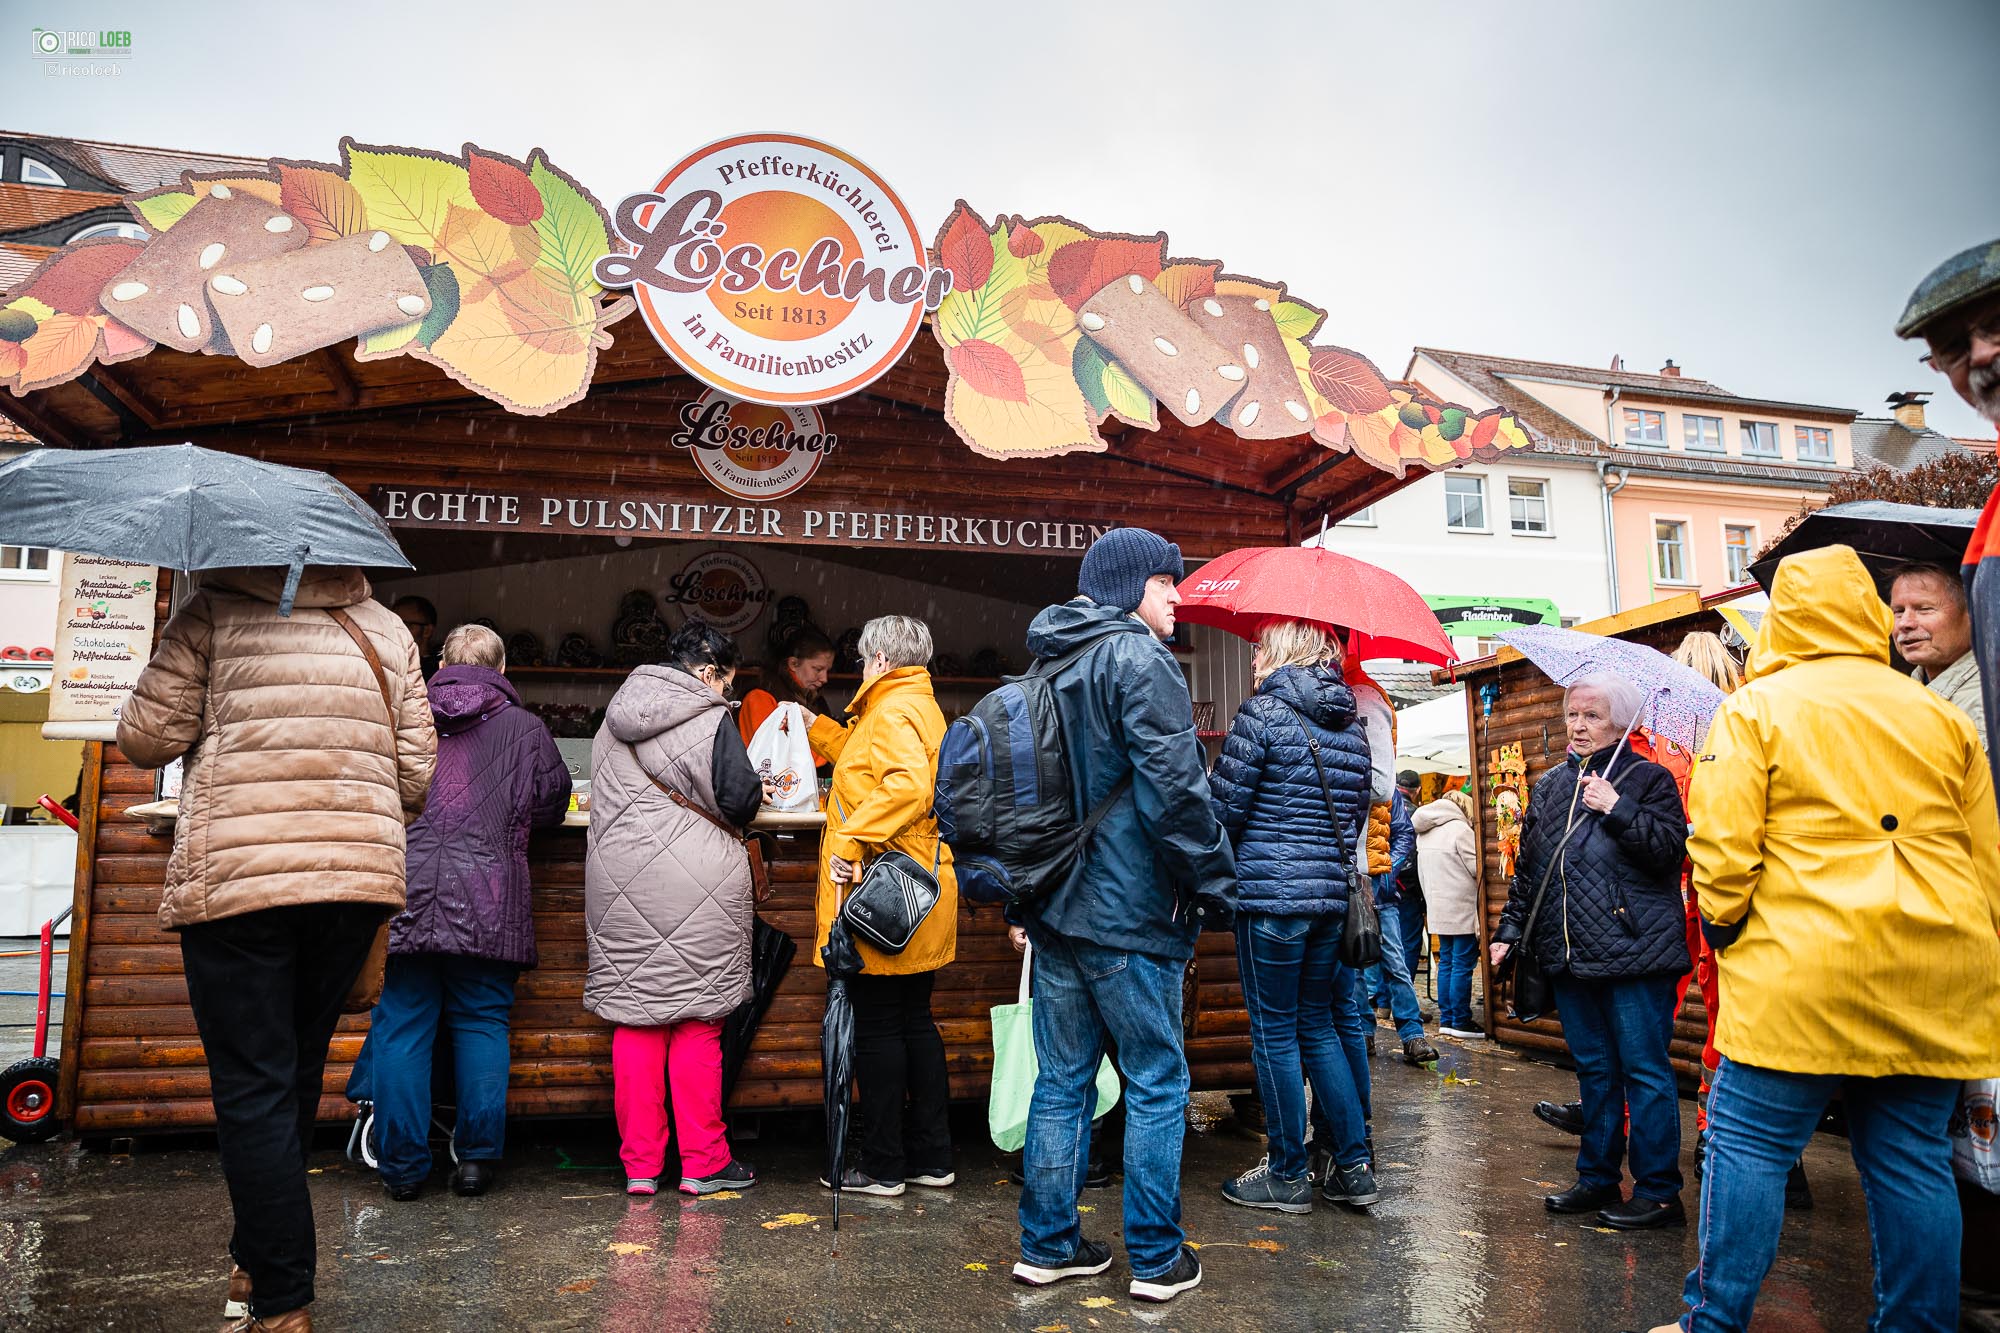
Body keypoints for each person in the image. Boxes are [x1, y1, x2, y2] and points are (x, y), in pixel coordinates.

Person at [1642, 545, 2000, 1333]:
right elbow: (1988, 859)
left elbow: (1723, 848)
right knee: (1911, 1160)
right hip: (1936, 971)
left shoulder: (1756, 710)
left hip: (1799, 972)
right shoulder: (1940, 714)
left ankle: (1716, 1320)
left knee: (1748, 1145)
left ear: (1787, 620)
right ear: (1868, 614)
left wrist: (1726, 929)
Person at [117, 565, 436, 1333]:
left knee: (252, 1084)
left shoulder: (212, 611)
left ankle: (284, 1302)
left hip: (241, 878)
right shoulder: (386, 628)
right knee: (291, 1074)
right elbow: (417, 776)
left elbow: (146, 738)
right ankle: (256, 1261)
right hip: (352, 886)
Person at [1010, 527, 1235, 1306]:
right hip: (1130, 911)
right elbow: (1176, 795)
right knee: (1156, 1080)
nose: (1178, 596)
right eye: (1166, 582)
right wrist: (1219, 883)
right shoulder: (1139, 659)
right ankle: (1157, 1258)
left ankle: (1048, 1245)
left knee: (1062, 1081)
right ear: (1131, 584)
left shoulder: (1047, 661)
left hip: (1057, 910)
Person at [366, 625, 571, 1202]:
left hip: (405, 889)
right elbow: (552, 804)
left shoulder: (403, 716)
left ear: (440, 663)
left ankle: (403, 1169)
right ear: (502, 669)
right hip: (487, 896)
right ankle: (476, 1160)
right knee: (482, 1023)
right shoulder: (525, 729)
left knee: (401, 1027)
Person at [1490, 672, 1690, 1231]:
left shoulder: (1648, 778)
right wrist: (1509, 930)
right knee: (1595, 1071)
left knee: (1645, 1073)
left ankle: (1658, 1192)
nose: (1578, 726)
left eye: (1592, 716)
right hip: (1571, 954)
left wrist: (1617, 807)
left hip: (1634, 954)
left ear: (1622, 723)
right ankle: (1597, 1177)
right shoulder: (1553, 785)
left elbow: (1669, 852)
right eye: (1572, 714)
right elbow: (1532, 870)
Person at [584, 621, 764, 1198]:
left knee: (636, 1018)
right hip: (698, 884)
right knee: (698, 1021)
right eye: (727, 683)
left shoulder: (614, 718)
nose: (727, 694)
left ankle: (641, 1166)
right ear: (709, 673)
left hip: (619, 884)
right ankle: (703, 1162)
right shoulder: (712, 718)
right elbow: (740, 801)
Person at [1207, 619, 1377, 1214]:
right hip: (1330, 900)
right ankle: (1353, 1166)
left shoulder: (1262, 715)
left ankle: (1286, 1172)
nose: (1252, 659)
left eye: (1258, 649)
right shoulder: (1351, 727)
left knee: (1274, 1033)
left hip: (1271, 900)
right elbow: (1354, 817)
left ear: (1280, 652)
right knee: (1318, 1026)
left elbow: (1223, 810)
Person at [802, 615, 960, 1198]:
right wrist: (819, 730)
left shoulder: (890, 710)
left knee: (877, 1029)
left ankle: (883, 1165)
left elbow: (906, 785)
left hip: (884, 894)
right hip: (921, 886)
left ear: (881, 660)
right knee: (915, 1021)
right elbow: (869, 763)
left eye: (865, 658)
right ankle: (932, 1157)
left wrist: (849, 841)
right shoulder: (915, 704)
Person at [1362, 787, 1436, 1066]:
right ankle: (1364, 1033)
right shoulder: (1340, 781)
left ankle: (1412, 1035)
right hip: (1349, 890)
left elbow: (1404, 833)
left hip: (1382, 893)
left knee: (1396, 964)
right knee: (1355, 967)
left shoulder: (1385, 789)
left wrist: (1388, 869)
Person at [1414, 788, 1481, 1039]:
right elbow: (1477, 869)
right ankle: (1460, 1020)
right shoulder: (1460, 830)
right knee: (1462, 964)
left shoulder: (1425, 832)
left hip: (1438, 908)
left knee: (1447, 962)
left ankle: (1447, 1018)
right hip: (1461, 907)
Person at [1890, 562, 1983, 734]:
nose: (1904, 623)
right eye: (1898, 611)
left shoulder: (1989, 699)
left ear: (1972, 614)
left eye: (1924, 609)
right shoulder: (1894, 693)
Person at [738, 623, 839, 764]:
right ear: (793, 664)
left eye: (827, 670)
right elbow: (769, 756)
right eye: (818, 669)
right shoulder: (759, 697)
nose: (824, 678)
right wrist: (832, 751)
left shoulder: (817, 699)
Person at [391, 595, 440, 676]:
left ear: (427, 631)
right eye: (391, 624)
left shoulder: (435, 673)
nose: (394, 630)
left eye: (404, 624)